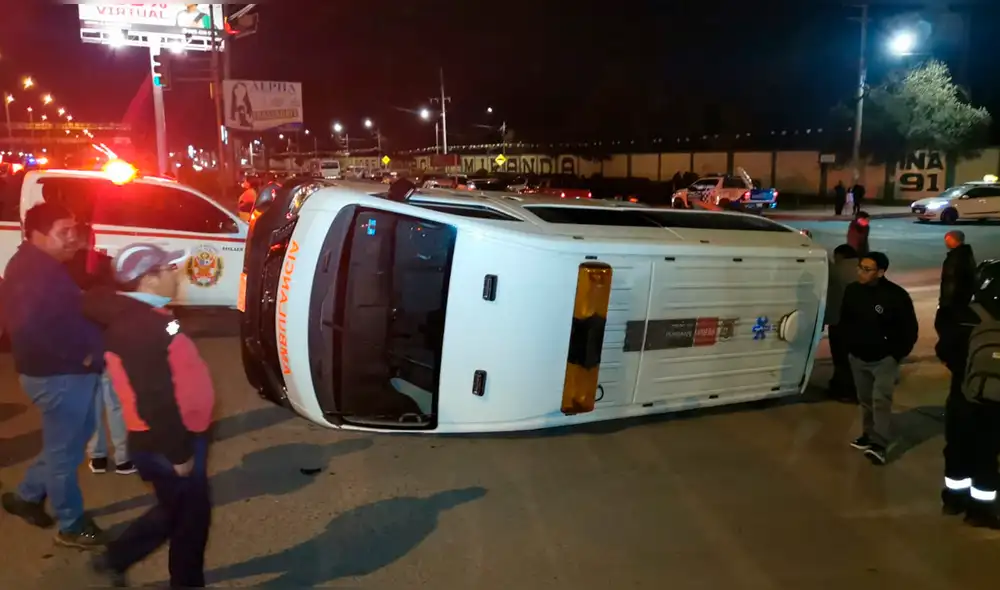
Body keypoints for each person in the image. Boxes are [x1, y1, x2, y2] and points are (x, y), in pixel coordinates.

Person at [85, 244, 215, 588]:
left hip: (177, 433)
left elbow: (170, 339)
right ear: (148, 279)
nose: (176, 273)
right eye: (168, 268)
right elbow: (154, 400)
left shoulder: (156, 317)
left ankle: (117, 558)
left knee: (178, 511)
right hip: (167, 440)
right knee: (190, 519)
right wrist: (179, 453)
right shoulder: (140, 328)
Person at [0, 202, 107, 548]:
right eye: (64, 232)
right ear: (37, 235)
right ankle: (71, 524)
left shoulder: (44, 265)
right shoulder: (32, 272)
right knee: (65, 455)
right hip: (59, 376)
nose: (73, 238)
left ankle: (28, 496)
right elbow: (32, 329)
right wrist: (84, 354)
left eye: (75, 229)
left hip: (68, 372)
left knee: (69, 442)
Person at [935, 260, 1000, 529]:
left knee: (957, 447)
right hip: (993, 401)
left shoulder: (961, 315)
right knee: (986, 453)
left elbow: (944, 351)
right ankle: (981, 510)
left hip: (962, 394)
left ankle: (954, 500)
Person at [840, 251, 919, 465]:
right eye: (860, 267)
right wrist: (849, 347)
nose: (861, 272)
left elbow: (910, 329)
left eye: (867, 269)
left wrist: (895, 355)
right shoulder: (852, 291)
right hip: (858, 357)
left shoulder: (896, 296)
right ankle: (868, 434)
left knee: (881, 400)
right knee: (865, 400)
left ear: (881, 272)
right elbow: (845, 321)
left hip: (884, 359)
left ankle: (880, 444)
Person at [826, 244, 859, 402]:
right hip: (863, 322)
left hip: (841, 321)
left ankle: (844, 390)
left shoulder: (837, 270)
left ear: (840, 256)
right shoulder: (865, 269)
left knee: (841, 358)